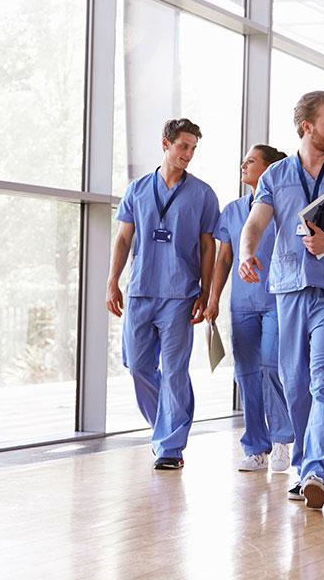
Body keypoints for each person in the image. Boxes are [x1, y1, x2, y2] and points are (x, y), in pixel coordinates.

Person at [239, 91, 324, 509]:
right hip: (288, 290)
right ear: (307, 126)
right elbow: (255, 223)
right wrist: (248, 253)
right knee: (296, 384)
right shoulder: (276, 176)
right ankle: (304, 467)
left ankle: (318, 469)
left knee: (323, 381)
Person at [106, 118, 219, 471]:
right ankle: (164, 428)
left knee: (174, 371)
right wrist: (113, 281)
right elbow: (124, 238)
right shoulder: (137, 190)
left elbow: (207, 246)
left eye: (193, 149)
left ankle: (170, 445)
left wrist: (205, 291)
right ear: (165, 144)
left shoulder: (202, 194)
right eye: (183, 146)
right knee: (138, 365)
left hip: (180, 294)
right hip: (141, 290)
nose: (188, 154)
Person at [204, 145, 294, 473]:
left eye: (252, 161)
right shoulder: (231, 210)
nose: (244, 164)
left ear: (270, 170)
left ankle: (283, 439)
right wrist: (213, 299)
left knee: (271, 367)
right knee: (246, 376)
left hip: (276, 301)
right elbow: (224, 257)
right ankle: (256, 446)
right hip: (241, 305)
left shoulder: (284, 209)